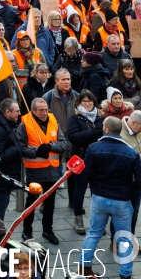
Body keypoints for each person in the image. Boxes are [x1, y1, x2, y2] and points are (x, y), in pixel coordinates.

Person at [78, 116, 141, 279]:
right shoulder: (131, 153)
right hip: (122, 200)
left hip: (99, 198)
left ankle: (84, 268)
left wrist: (96, 185)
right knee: (125, 238)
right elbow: (139, 180)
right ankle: (125, 274)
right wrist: (128, 189)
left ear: (106, 129)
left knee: (94, 233)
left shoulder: (93, 148)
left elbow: (87, 173)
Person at [16, 97, 67, 244]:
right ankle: (27, 231)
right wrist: (37, 151)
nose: (44, 113)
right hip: (35, 171)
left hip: (52, 171)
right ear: (33, 111)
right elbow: (21, 148)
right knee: (31, 203)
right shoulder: (25, 124)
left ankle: (48, 230)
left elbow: (63, 144)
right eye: (41, 110)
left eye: (46, 110)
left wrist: (50, 146)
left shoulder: (52, 120)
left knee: (50, 203)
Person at [67, 90, 104, 235]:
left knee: (97, 191)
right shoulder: (75, 118)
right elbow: (73, 137)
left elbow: (106, 133)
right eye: (84, 101)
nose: (87, 104)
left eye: (90, 101)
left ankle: (97, 222)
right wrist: (93, 133)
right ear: (79, 103)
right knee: (80, 190)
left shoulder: (101, 117)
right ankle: (78, 219)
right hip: (81, 160)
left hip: (99, 160)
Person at [43, 69, 78, 207]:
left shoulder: (77, 96)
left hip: (72, 139)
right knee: (50, 175)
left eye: (68, 79)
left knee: (73, 174)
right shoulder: (47, 97)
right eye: (63, 79)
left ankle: (73, 201)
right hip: (54, 140)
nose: (67, 82)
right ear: (56, 81)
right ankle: (45, 202)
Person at [0, 98, 22, 219]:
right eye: (16, 111)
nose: (19, 113)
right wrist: (15, 149)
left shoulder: (4, 124)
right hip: (2, 175)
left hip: (6, 173)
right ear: (7, 112)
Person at [120, 110, 141, 253]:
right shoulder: (120, 133)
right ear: (133, 123)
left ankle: (130, 240)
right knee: (121, 214)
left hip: (138, 181)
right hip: (124, 181)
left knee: (134, 212)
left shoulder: (138, 131)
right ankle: (117, 243)